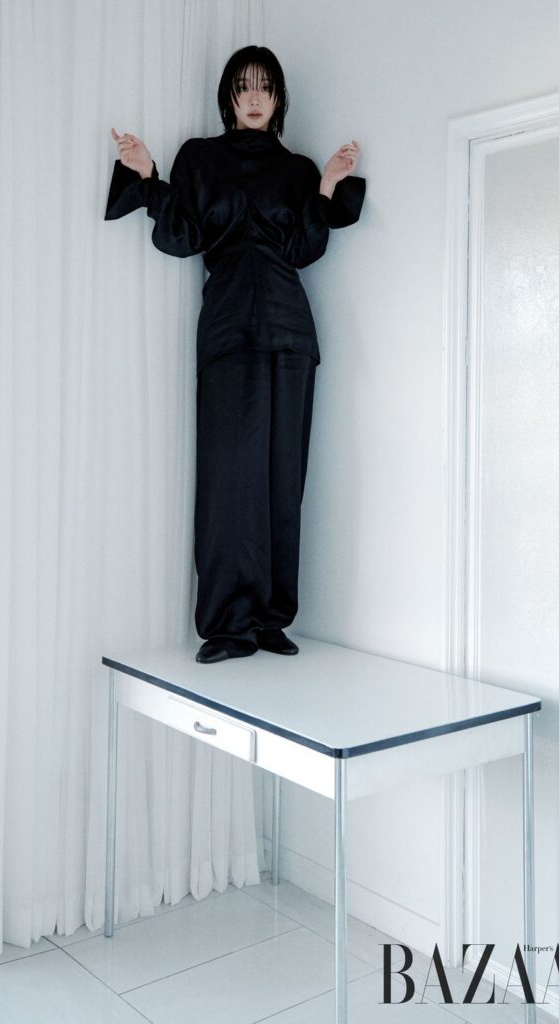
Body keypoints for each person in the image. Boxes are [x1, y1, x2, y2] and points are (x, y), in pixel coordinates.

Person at [105, 45, 365, 664]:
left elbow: (302, 250)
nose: (254, 97)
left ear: (278, 99)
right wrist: (148, 174)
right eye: (243, 86)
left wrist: (327, 185)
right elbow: (183, 237)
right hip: (226, 331)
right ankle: (228, 624)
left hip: (290, 333)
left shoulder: (297, 169)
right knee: (228, 479)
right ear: (228, 95)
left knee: (282, 479)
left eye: (265, 87)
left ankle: (272, 619)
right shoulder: (200, 158)